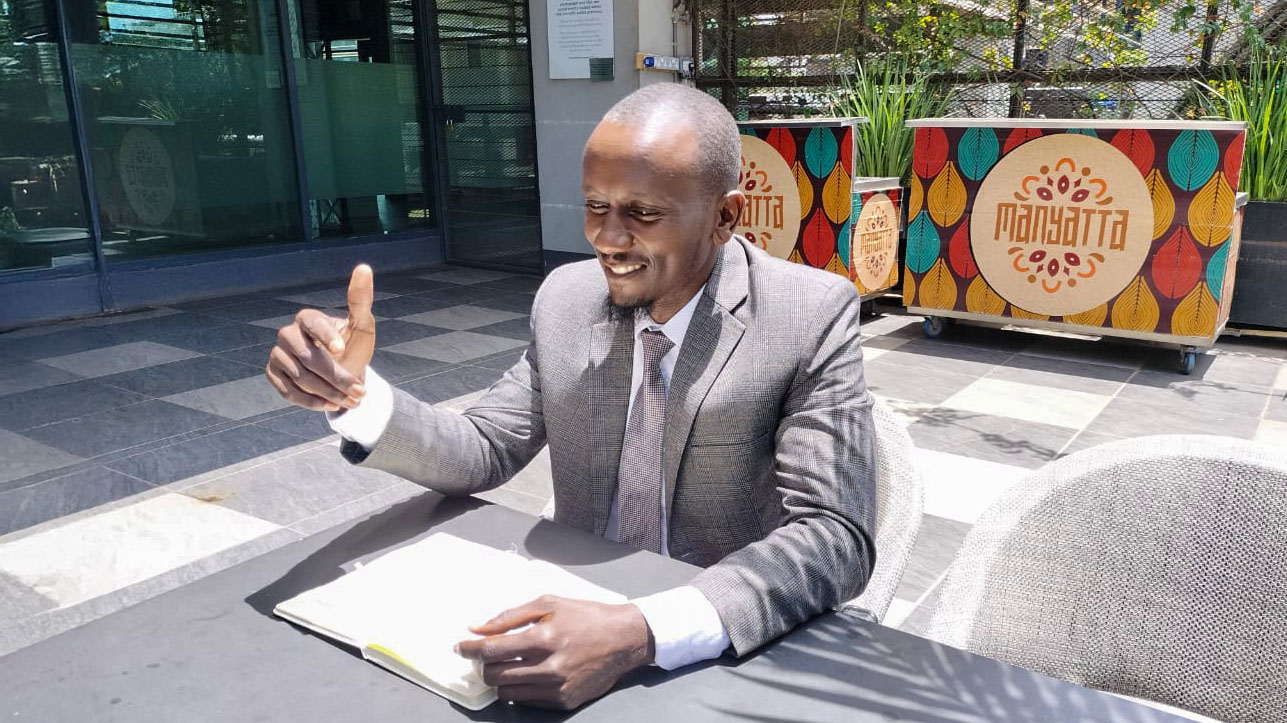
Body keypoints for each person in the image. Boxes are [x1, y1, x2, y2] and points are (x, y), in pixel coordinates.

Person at [265, 83, 876, 710]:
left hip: (711, 643)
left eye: (642, 214)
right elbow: (485, 448)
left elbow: (836, 535)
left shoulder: (808, 315)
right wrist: (355, 395)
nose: (607, 239)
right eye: (594, 206)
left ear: (725, 217)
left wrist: (641, 632)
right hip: (566, 611)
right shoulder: (566, 298)